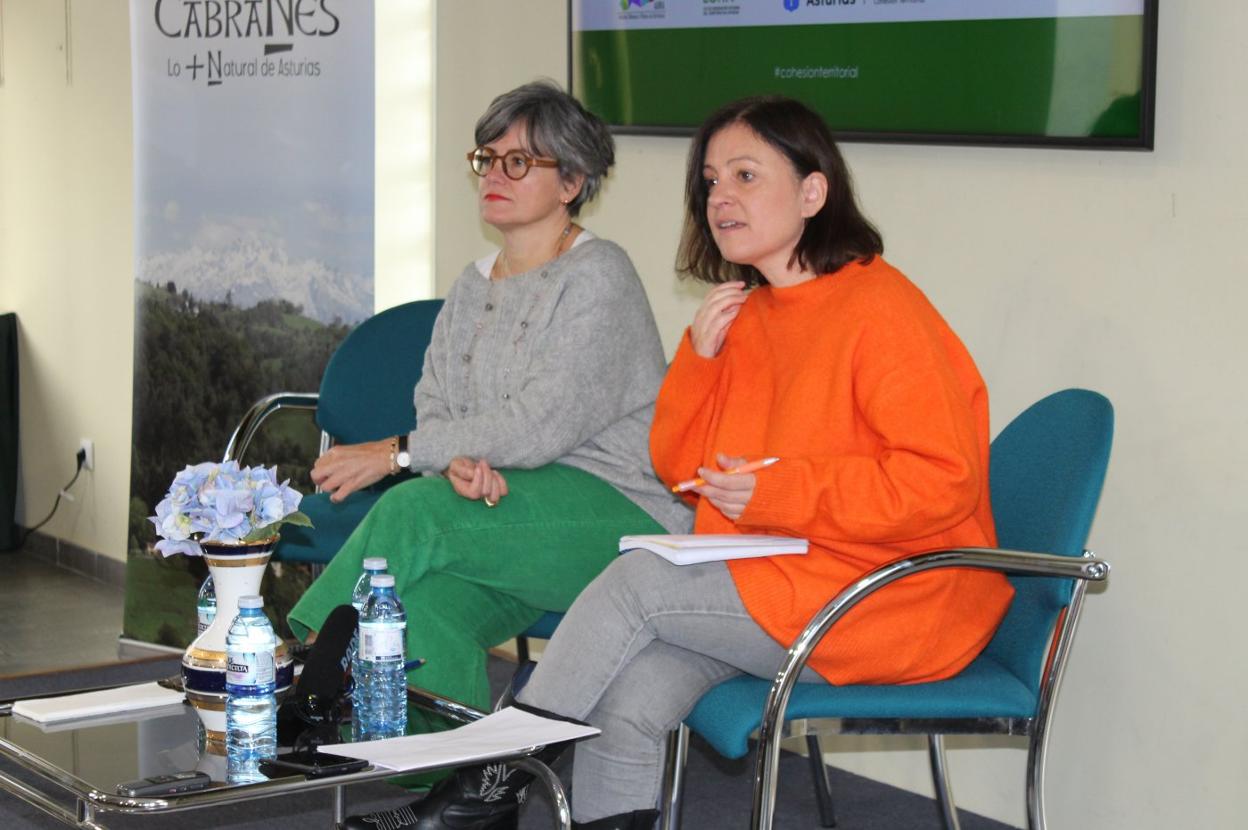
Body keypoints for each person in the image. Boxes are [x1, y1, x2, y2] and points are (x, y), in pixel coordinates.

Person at [344, 96, 1016, 830]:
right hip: (780, 581)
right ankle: (487, 790)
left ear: (814, 191)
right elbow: (676, 464)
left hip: (882, 599)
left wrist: (776, 491)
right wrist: (697, 361)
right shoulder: (748, 314)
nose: (720, 197)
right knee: (627, 700)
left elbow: (939, 482)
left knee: (638, 583)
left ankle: (484, 790)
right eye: (710, 181)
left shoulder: (883, 310)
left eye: (746, 176)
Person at [287, 80, 690, 716]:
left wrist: (399, 456)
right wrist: (456, 462)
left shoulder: (600, 276)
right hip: (511, 513)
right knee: (420, 609)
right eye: (487, 158)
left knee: (412, 512)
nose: (494, 174)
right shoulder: (471, 286)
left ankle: (304, 660)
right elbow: (439, 403)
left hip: (620, 518)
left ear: (572, 182)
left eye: (519, 161)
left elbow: (538, 426)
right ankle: (450, 798)